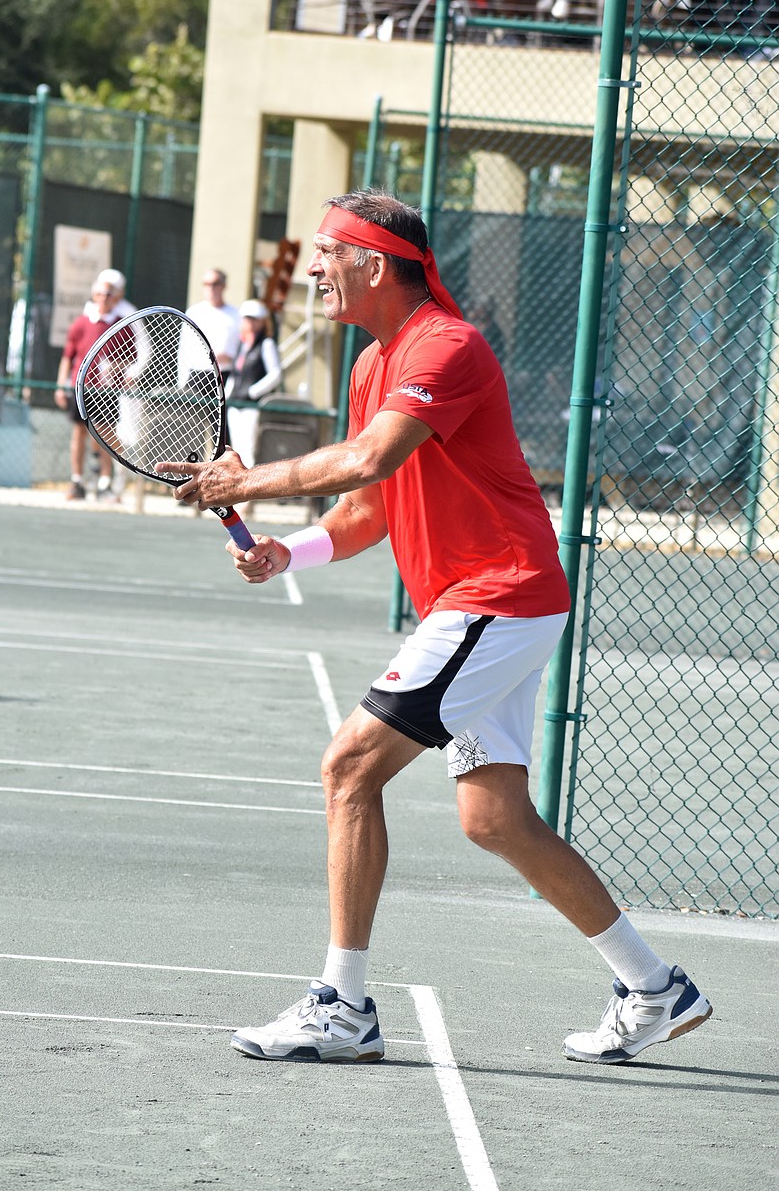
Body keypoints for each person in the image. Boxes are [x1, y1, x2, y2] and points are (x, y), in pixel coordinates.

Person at [157, 189, 712, 1066]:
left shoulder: (446, 346)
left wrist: (245, 480)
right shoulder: (373, 367)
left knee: (348, 769)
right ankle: (654, 987)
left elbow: (370, 456)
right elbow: (368, 506)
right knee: (494, 819)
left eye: (327, 252)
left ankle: (341, 1009)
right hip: (486, 602)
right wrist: (286, 555)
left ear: (374, 264)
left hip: (500, 594)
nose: (312, 269)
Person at [54, 269, 139, 502]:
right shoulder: (81, 323)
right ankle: (77, 481)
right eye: (100, 292)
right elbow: (68, 356)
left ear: (116, 297)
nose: (104, 296)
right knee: (79, 432)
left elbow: (131, 358)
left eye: (109, 293)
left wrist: (118, 369)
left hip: (107, 390)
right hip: (81, 388)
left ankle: (105, 482)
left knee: (103, 434)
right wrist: (61, 385)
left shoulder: (122, 325)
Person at [225, 299, 282, 471]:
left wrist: (253, 392)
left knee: (248, 449)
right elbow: (236, 373)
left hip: (251, 406)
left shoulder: (266, 344)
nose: (249, 323)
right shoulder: (242, 344)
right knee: (236, 448)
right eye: (247, 318)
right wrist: (228, 394)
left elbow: (275, 374)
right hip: (235, 404)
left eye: (253, 319)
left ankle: (246, 493)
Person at [182, 268, 241, 384]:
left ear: (223, 286)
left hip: (225, 375)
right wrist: (182, 379)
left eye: (215, 284)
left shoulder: (235, 314)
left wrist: (230, 357)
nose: (211, 288)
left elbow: (241, 348)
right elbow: (184, 348)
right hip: (197, 375)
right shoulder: (194, 312)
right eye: (206, 284)